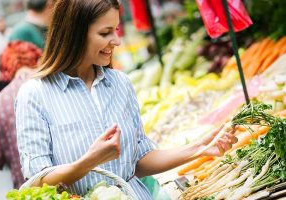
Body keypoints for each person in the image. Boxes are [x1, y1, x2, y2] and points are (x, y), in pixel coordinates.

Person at [15, 0, 237, 199]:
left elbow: (139, 161)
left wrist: (200, 148)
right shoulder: (34, 95)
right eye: (105, 33)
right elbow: (38, 183)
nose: (117, 40)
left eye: (117, 29)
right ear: (74, 33)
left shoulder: (120, 83)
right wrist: (90, 161)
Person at [0, 41, 42, 189]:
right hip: (64, 184)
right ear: (37, 60)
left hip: (25, 190)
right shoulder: (51, 87)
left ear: (7, 67)